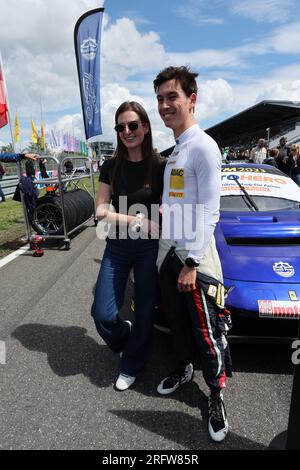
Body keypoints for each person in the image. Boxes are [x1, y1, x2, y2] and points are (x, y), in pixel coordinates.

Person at [153, 66, 232, 443]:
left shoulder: (203, 146)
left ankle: (215, 394)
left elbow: (209, 211)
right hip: (170, 253)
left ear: (191, 99)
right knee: (179, 326)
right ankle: (183, 368)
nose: (165, 105)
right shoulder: (175, 150)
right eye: (160, 98)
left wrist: (192, 263)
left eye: (172, 97)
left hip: (191, 260)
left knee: (207, 331)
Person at [91, 101, 166, 391]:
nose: (127, 131)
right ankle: (125, 336)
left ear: (145, 127)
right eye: (121, 127)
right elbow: (100, 211)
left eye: (133, 125)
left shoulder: (161, 165)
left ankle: (133, 363)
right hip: (118, 246)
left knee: (146, 308)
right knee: (103, 314)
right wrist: (138, 221)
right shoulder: (111, 166)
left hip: (150, 249)